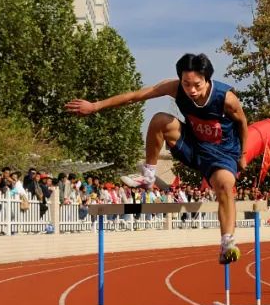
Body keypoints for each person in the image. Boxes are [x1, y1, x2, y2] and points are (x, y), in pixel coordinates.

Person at [65, 53, 249, 265]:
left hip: (222, 152)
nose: (192, 90)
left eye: (197, 85)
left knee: (225, 185)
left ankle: (227, 243)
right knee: (160, 119)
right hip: (193, 145)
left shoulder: (226, 98)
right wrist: (95, 106)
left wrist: (242, 155)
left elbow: (242, 124)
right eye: (186, 84)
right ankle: (149, 175)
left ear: (207, 79)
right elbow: (136, 96)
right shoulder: (174, 88)